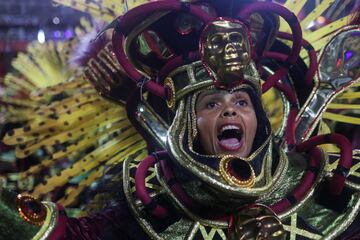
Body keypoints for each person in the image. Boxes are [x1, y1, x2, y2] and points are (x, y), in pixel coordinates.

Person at [1, 1, 359, 240]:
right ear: (189, 122)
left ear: (260, 117)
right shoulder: (155, 203)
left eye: (241, 101)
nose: (229, 111)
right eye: (211, 103)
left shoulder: (325, 190)